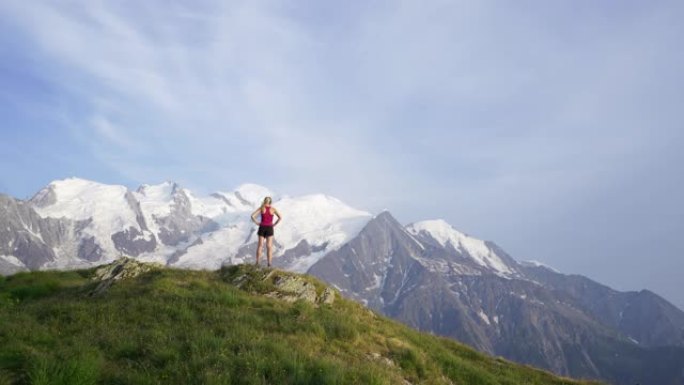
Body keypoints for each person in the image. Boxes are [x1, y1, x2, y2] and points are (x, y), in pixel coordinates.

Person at [250, 196, 282, 267]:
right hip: (270, 228)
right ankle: (269, 263)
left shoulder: (262, 208)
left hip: (262, 227)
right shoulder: (273, 209)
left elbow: (252, 216)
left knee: (260, 246)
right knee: (269, 246)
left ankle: (257, 262)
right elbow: (280, 217)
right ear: (270, 202)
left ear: (264, 201)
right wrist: (274, 224)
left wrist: (257, 222)